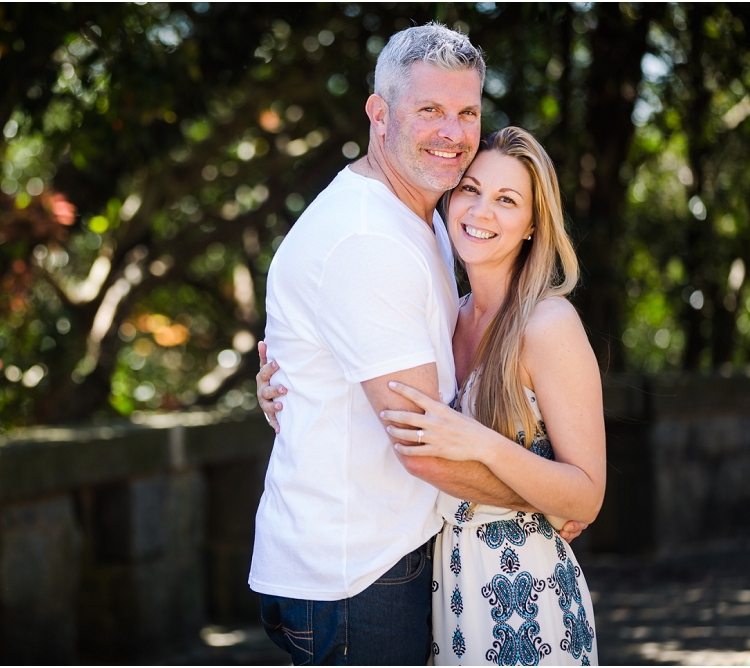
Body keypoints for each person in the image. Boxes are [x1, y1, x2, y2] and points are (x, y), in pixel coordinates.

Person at [248, 22, 586, 665]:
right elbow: (424, 450)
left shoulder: (423, 216)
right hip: (358, 574)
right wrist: (549, 499)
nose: (452, 132)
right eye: (428, 108)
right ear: (379, 113)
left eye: (466, 112)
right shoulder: (369, 237)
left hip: (388, 559)